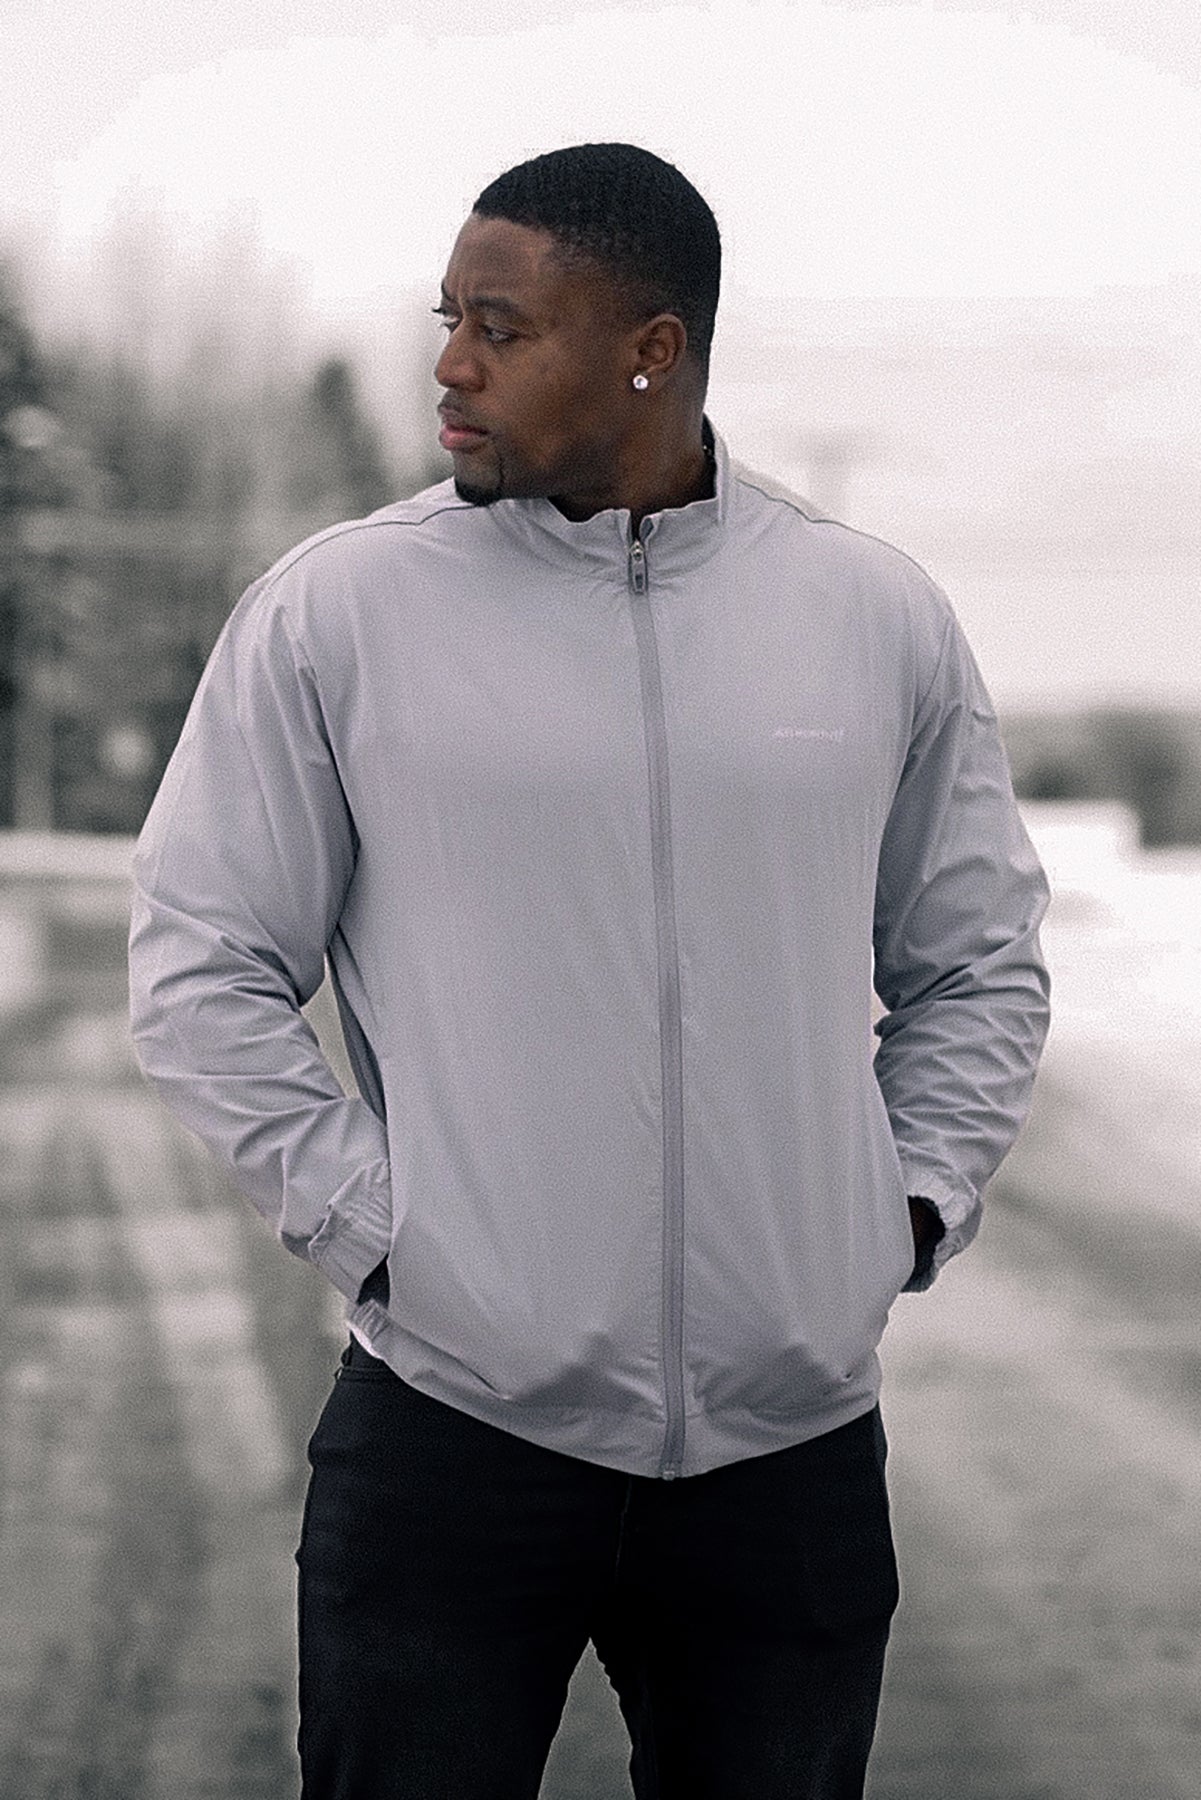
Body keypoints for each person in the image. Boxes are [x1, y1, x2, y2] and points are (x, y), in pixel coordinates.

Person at [128, 142, 1051, 1800]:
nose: (450, 366)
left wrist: (901, 1208)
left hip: (785, 1455)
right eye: (447, 319)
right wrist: (381, 1235)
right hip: (453, 1436)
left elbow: (974, 963)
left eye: (500, 327)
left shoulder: (867, 614)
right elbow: (201, 961)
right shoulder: (341, 614)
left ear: (651, 348)